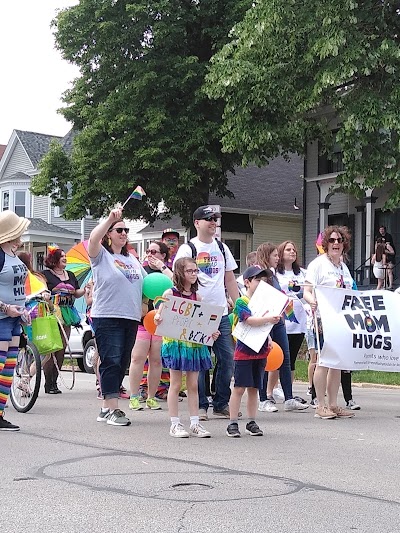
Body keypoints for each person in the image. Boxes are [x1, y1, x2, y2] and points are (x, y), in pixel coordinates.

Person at [174, 205, 239, 419]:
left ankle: (221, 402)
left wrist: (238, 305)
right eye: (208, 219)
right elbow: (179, 279)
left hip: (220, 312)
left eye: (215, 219)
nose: (213, 222)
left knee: (227, 358)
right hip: (197, 312)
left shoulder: (222, 248)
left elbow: (229, 278)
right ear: (196, 223)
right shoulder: (188, 248)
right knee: (200, 360)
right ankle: (201, 405)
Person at [89, 207, 146, 426]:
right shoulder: (101, 256)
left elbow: (147, 284)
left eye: (126, 230)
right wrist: (109, 219)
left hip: (130, 317)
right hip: (107, 315)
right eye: (119, 229)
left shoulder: (132, 259)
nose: (123, 233)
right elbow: (94, 238)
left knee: (122, 362)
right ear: (109, 234)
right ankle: (114, 409)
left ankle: (105, 409)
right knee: (111, 360)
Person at [154, 257, 219, 437]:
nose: (193, 274)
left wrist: (211, 332)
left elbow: (203, 322)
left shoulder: (197, 297)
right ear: (180, 273)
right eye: (190, 271)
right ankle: (174, 423)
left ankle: (195, 423)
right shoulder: (170, 294)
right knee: (175, 384)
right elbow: (158, 316)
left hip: (194, 344)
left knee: (193, 384)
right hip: (176, 343)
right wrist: (158, 318)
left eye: (195, 271)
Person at [303, 225, 356, 419]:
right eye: (332, 240)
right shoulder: (318, 264)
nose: (336, 244)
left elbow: (349, 291)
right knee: (323, 362)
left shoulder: (343, 267)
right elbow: (306, 291)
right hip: (323, 320)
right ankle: (320, 405)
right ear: (326, 243)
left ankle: (333, 405)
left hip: (342, 320)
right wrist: (312, 302)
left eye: (339, 241)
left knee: (337, 363)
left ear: (344, 244)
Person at [226, 266, 280, 438]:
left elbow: (265, 327)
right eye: (257, 280)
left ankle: (251, 421)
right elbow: (248, 320)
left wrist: (269, 338)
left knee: (254, 388)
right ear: (247, 282)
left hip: (260, 350)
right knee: (239, 387)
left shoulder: (264, 302)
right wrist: (268, 319)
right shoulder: (242, 302)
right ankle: (233, 422)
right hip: (244, 351)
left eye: (264, 280)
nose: (261, 283)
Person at [256, 242, 308, 412]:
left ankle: (289, 397)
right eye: (274, 255)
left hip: (278, 321)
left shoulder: (273, 275)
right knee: (264, 359)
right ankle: (263, 398)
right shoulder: (260, 275)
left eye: (278, 255)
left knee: (285, 358)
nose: (277, 258)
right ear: (266, 256)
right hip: (266, 321)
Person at [128, 240, 173, 411]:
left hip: (161, 323)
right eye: (148, 251)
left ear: (163, 255)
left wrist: (162, 267)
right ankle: (134, 396)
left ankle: (151, 397)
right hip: (142, 321)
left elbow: (177, 281)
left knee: (156, 361)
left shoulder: (166, 273)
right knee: (137, 358)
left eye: (154, 252)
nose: (150, 255)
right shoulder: (141, 271)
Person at [0, 211, 31, 431]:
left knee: (9, 369)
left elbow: (19, 288)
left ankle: (0, 414)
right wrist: (5, 307)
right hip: (1, 318)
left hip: (14, 320)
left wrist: (23, 308)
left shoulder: (14, 255)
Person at [42, 247, 84, 394]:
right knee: (52, 348)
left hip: (67, 313)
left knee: (62, 349)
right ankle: (48, 383)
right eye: (62, 256)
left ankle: (54, 381)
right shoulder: (45, 275)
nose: (65, 258)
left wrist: (85, 290)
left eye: (65, 256)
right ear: (54, 259)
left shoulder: (70, 274)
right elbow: (41, 290)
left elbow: (77, 293)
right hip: (52, 312)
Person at [276, 241, 308, 393]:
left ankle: (288, 390)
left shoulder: (303, 273)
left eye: (294, 250)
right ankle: (273, 388)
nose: (292, 252)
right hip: (282, 321)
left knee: (292, 358)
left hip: (300, 321)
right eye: (288, 249)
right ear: (281, 253)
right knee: (280, 356)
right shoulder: (275, 272)